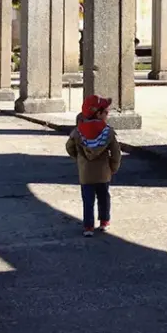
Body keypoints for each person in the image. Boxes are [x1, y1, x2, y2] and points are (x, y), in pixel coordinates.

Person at [65, 95, 122, 237]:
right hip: (103, 173)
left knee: (88, 200)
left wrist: (79, 160)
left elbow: (69, 147)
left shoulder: (78, 132)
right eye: (106, 112)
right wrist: (112, 167)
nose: (108, 115)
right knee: (104, 198)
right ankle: (104, 221)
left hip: (86, 173)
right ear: (98, 113)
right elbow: (116, 153)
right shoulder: (108, 132)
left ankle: (88, 227)